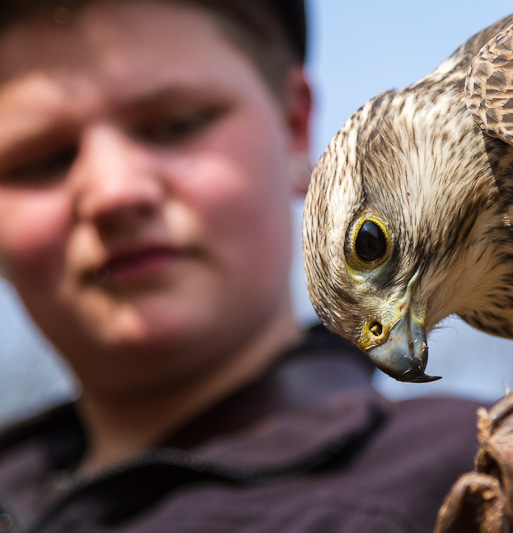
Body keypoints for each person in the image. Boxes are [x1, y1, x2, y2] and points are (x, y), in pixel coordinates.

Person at [0, 1, 483, 531]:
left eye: (176, 125)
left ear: (295, 127)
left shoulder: (481, 478)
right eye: (42, 161)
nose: (114, 192)